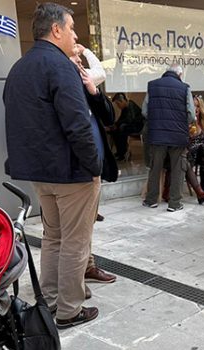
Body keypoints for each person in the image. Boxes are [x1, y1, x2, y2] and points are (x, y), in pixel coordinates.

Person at [4, 3, 100, 329]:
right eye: (72, 27)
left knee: (53, 238)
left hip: (39, 172)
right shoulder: (60, 67)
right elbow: (77, 124)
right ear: (56, 30)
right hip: (70, 171)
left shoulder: (20, 67)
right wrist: (94, 165)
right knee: (75, 241)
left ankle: (50, 300)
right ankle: (69, 309)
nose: (75, 34)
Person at [69, 51, 119, 288]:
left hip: (94, 167)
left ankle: (87, 267)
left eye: (82, 64)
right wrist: (85, 52)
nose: (82, 67)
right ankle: (80, 272)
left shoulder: (87, 90)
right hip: (77, 170)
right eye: (77, 63)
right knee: (76, 229)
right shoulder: (66, 91)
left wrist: (94, 91)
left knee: (86, 225)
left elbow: (109, 117)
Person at [142, 64, 195, 212]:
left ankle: (151, 200)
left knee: (155, 167)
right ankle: (175, 203)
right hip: (178, 135)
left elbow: (145, 111)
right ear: (179, 74)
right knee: (178, 168)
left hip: (157, 135)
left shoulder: (152, 85)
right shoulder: (185, 88)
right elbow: (191, 114)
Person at [108, 93, 144, 161]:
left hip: (137, 126)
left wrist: (118, 125)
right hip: (131, 126)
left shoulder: (131, 105)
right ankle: (119, 152)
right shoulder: (125, 108)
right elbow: (121, 119)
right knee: (115, 131)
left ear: (123, 101)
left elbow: (130, 120)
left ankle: (122, 154)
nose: (118, 106)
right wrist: (114, 125)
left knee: (122, 130)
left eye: (118, 104)